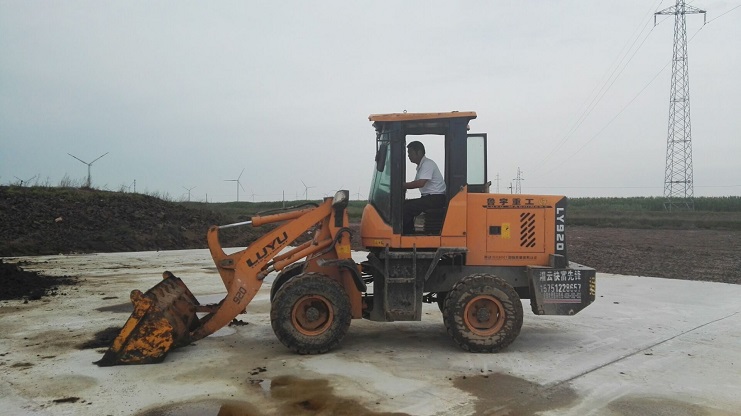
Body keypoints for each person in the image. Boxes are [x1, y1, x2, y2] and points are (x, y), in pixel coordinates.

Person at [403, 141, 446, 234]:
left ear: (419, 152)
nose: (408, 156)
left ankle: (408, 233)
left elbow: (420, 183)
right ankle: (408, 232)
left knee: (406, 209)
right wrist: (404, 186)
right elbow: (415, 183)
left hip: (436, 198)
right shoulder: (421, 166)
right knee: (403, 204)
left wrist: (401, 185)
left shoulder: (427, 164)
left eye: (410, 153)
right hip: (429, 198)